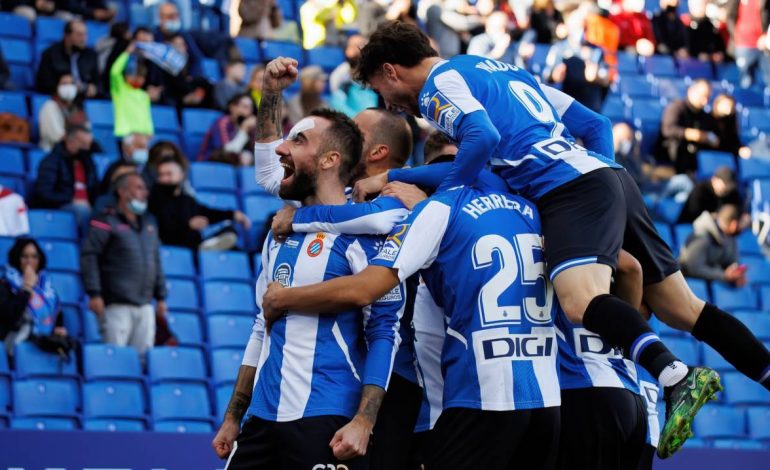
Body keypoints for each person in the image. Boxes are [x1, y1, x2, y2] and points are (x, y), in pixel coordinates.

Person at [344, 20, 770, 457]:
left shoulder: (438, 86)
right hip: (608, 178)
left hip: (569, 191)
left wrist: (448, 193)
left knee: (578, 301)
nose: (390, 103)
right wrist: (601, 186)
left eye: (381, 88)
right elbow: (596, 122)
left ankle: (675, 375)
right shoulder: (503, 71)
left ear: (391, 71)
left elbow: (482, 139)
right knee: (684, 309)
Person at [261, 145, 562, 470]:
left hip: (483, 390)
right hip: (546, 394)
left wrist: (284, 298)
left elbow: (365, 288)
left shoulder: (437, 209)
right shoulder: (526, 208)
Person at [211, 87, 403, 469]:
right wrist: (234, 416)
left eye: (297, 140)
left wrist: (364, 420)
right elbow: (260, 327)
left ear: (330, 159)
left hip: (326, 420)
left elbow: (384, 332)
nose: (282, 149)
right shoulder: (278, 231)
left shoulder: (365, 235)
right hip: (261, 423)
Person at [253, 77, 420, 468]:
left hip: (399, 376)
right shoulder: (341, 201)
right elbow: (269, 174)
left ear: (376, 151)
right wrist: (272, 94)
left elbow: (379, 226)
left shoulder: (399, 200)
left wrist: (300, 221)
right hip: (329, 389)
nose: (345, 136)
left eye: (355, 132)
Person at [81, 172, 167, 357]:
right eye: (138, 187)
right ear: (122, 191)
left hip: (145, 305)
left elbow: (155, 260)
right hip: (116, 305)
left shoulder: (150, 223)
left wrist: (161, 296)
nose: (144, 192)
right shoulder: (105, 221)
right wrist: (94, 293)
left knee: (142, 362)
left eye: (144, 188)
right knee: (115, 359)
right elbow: (90, 256)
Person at [149, 157, 251, 251]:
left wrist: (233, 215)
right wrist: (188, 225)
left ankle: (206, 248)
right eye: (161, 175)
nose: (164, 178)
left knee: (231, 234)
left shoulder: (187, 200)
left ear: (181, 175)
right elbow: (164, 227)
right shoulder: (155, 199)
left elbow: (206, 213)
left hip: (194, 243)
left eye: (169, 174)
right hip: (174, 246)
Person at [0, 238, 69, 357]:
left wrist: (58, 329)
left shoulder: (47, 288)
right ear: (17, 258)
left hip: (43, 344)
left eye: (34, 257)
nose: (29, 261)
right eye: (24, 256)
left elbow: (57, 315)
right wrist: (26, 288)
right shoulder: (6, 284)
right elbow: (10, 316)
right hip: (15, 345)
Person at [33, 124, 98, 236]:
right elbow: (43, 193)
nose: (86, 149)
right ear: (69, 141)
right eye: (82, 144)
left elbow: (96, 189)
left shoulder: (88, 162)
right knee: (82, 210)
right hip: (63, 205)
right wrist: (71, 199)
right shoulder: (52, 161)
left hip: (88, 206)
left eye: (88, 145)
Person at [655, 79, 720, 175]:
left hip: (695, 165)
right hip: (670, 161)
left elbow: (715, 136)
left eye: (708, 98)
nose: (705, 101)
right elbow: (667, 130)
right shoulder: (676, 107)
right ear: (691, 91)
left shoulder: (705, 116)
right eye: (702, 96)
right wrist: (689, 134)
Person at [680, 203, 746, 286]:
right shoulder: (701, 236)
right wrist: (723, 275)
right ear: (734, 225)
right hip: (690, 286)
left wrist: (737, 274)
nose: (744, 229)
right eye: (742, 225)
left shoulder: (731, 237)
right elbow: (693, 268)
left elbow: (734, 261)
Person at [35, 20, 100, 98]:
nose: (83, 39)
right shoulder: (50, 54)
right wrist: (59, 85)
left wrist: (94, 88)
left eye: (85, 35)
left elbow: (99, 81)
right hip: (61, 98)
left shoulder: (91, 55)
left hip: (86, 98)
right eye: (79, 35)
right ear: (67, 36)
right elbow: (42, 84)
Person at [613, 122, 674, 193]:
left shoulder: (629, 158)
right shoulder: (611, 161)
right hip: (641, 193)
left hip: (646, 187)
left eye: (629, 139)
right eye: (625, 139)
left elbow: (642, 175)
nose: (628, 142)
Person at [197, 93, 256, 165]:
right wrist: (244, 129)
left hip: (234, 163)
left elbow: (255, 151)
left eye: (250, 108)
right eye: (245, 107)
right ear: (232, 107)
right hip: (211, 163)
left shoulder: (250, 126)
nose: (248, 112)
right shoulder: (222, 122)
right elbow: (227, 151)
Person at [110, 44, 154, 138]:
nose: (137, 79)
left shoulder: (144, 95)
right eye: (134, 74)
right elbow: (114, 72)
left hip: (142, 135)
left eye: (141, 76)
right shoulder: (120, 89)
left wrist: (150, 130)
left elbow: (147, 116)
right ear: (126, 75)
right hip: (125, 134)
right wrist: (126, 53)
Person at [330, 35, 379, 118]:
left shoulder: (376, 71)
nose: (358, 49)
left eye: (361, 45)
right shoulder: (340, 74)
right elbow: (338, 104)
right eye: (352, 46)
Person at [38, 73, 88, 152]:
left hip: (75, 154)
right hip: (53, 152)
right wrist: (78, 140)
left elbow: (87, 134)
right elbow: (57, 137)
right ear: (57, 86)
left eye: (71, 84)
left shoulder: (77, 110)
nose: (68, 87)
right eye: (64, 84)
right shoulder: (50, 107)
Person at [727, 0, 770, 88]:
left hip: (763, 44)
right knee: (746, 81)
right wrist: (737, 35)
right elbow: (730, 15)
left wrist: (766, 37)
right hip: (744, 45)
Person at [678, 166, 743, 223]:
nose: (727, 188)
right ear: (714, 180)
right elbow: (692, 215)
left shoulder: (731, 193)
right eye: (724, 184)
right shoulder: (700, 190)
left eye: (729, 186)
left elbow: (738, 211)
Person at [712, 93, 744, 157]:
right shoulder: (707, 119)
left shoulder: (730, 122)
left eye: (731, 107)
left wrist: (740, 150)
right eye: (726, 105)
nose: (728, 109)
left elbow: (734, 141)